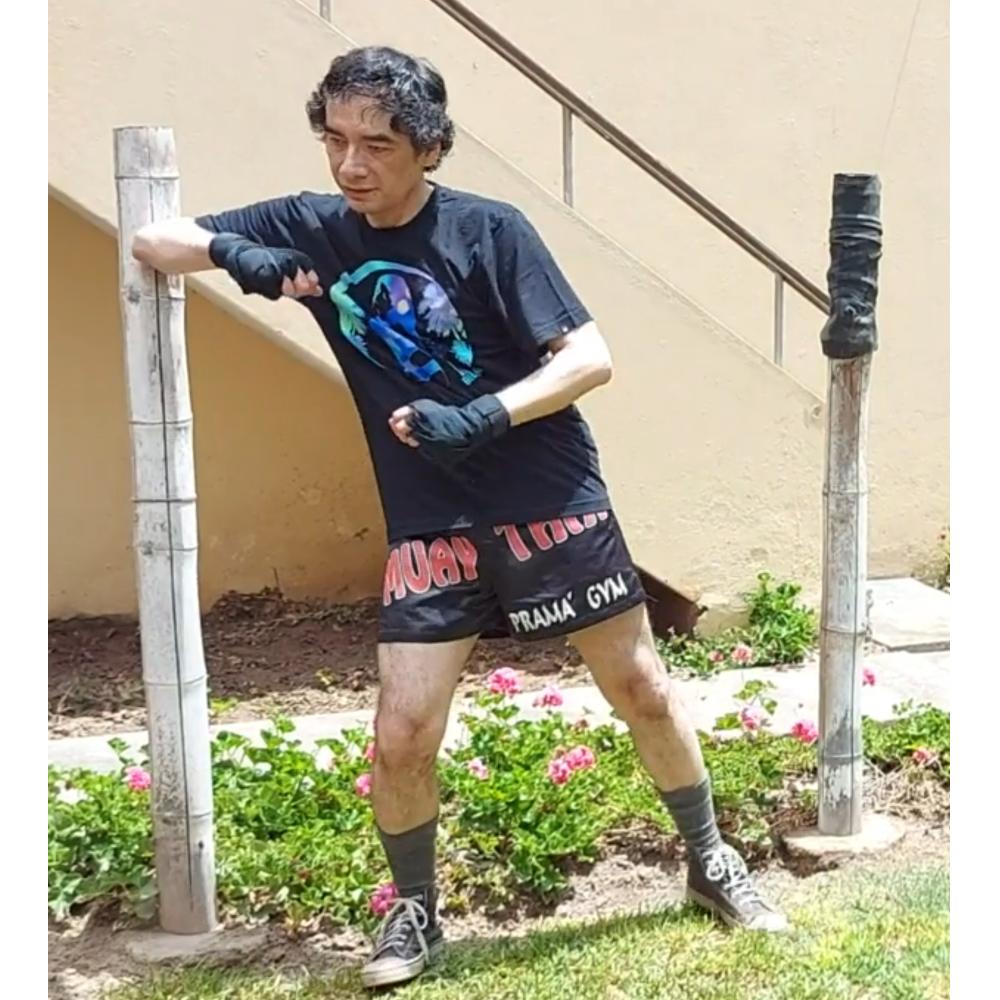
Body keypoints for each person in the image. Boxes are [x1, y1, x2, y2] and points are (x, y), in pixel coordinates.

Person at [132, 44, 787, 991]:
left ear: (429, 148)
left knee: (641, 688)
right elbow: (155, 240)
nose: (351, 165)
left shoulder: (490, 231)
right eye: (335, 140)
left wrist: (485, 414)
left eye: (377, 145)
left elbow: (589, 357)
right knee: (402, 731)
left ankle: (711, 859)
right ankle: (414, 912)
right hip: (429, 522)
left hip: (547, 499)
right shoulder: (313, 224)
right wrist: (239, 254)